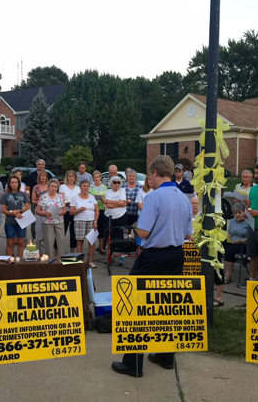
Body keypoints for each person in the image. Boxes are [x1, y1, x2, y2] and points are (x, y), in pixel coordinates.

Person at [112, 155, 192, 378]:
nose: (149, 180)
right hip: (177, 254)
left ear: (155, 173)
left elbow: (144, 232)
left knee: (135, 306)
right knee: (168, 307)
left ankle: (132, 363)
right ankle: (166, 356)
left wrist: (134, 228)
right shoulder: (184, 197)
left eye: (150, 176)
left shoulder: (155, 197)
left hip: (154, 256)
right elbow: (187, 234)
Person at [70, 179, 99, 267]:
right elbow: (71, 212)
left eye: (87, 186)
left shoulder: (92, 197)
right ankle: (80, 260)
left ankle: (90, 261)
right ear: (80, 187)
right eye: (84, 186)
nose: (86, 188)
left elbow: (97, 210)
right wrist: (79, 210)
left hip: (91, 221)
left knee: (91, 241)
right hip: (79, 221)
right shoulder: (75, 197)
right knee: (80, 241)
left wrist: (95, 221)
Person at [36, 178, 66, 259]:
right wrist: (45, 213)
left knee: (61, 241)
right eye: (52, 186)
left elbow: (64, 210)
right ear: (48, 187)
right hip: (47, 221)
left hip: (59, 220)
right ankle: (50, 259)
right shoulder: (43, 197)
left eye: (55, 187)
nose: (53, 188)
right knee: (49, 242)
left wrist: (61, 212)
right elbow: (37, 211)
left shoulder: (60, 197)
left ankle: (61, 259)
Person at [1, 175, 30, 258]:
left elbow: (27, 207)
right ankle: (9, 260)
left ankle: (20, 261)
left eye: (16, 182)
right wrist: (11, 213)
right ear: (9, 184)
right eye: (12, 182)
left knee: (20, 243)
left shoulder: (23, 194)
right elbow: (2, 209)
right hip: (10, 222)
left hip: (21, 221)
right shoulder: (6, 195)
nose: (14, 184)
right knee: (10, 243)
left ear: (19, 184)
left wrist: (19, 211)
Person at [223, 203, 248, 284]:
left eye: (240, 212)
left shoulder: (248, 221)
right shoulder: (233, 221)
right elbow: (229, 233)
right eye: (235, 213)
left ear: (244, 212)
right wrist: (227, 239)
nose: (237, 215)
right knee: (222, 246)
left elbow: (252, 237)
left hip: (244, 243)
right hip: (233, 242)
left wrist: (241, 241)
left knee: (230, 250)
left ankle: (228, 275)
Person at [59, 170, 81, 253]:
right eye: (69, 176)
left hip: (75, 212)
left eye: (72, 176)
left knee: (74, 232)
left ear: (75, 177)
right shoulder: (63, 187)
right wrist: (68, 204)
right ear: (67, 177)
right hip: (65, 211)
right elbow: (61, 199)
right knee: (62, 231)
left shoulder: (78, 188)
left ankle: (72, 251)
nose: (71, 178)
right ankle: (58, 251)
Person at [103, 176, 128, 240]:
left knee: (122, 233)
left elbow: (122, 202)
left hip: (121, 214)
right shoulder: (108, 192)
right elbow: (108, 206)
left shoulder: (122, 190)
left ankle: (121, 247)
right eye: (115, 182)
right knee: (111, 234)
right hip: (110, 216)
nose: (117, 184)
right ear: (111, 184)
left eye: (118, 183)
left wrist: (109, 201)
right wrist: (120, 204)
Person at [89, 170, 108, 255]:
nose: (96, 178)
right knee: (92, 229)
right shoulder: (90, 187)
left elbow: (107, 197)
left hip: (102, 208)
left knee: (101, 228)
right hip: (93, 209)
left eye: (98, 177)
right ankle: (91, 248)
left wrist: (103, 200)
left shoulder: (105, 187)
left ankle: (101, 247)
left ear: (100, 178)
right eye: (94, 177)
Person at [32, 170, 49, 250]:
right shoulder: (36, 187)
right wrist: (41, 202)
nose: (43, 177)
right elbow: (33, 200)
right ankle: (38, 250)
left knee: (48, 230)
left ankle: (48, 250)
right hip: (39, 210)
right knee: (38, 229)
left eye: (44, 175)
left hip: (48, 210)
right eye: (41, 175)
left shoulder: (50, 187)